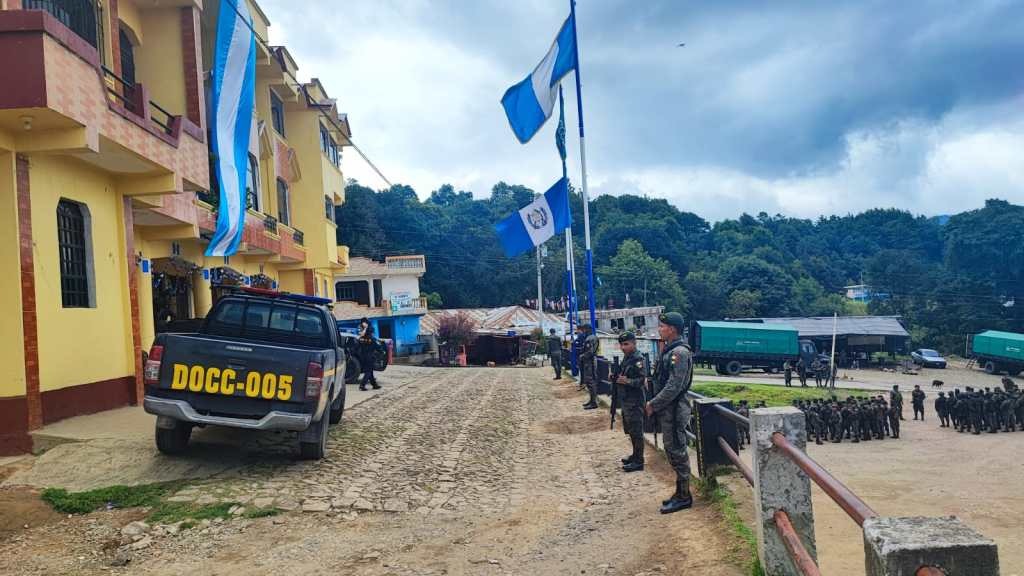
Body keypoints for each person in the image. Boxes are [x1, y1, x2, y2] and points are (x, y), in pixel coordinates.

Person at [645, 312, 694, 514]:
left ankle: (684, 496)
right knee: (672, 449)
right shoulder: (670, 350)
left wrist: (654, 403)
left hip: (674, 410)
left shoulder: (679, 353)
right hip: (668, 409)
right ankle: (680, 492)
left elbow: (674, 386)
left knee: (677, 451)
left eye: (663, 326)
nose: (660, 329)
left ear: (672, 329)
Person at [614, 332, 647, 472]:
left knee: (637, 431)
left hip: (635, 400)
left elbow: (642, 380)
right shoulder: (627, 358)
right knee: (631, 431)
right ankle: (635, 455)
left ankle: (639, 461)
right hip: (626, 399)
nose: (623, 347)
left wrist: (626, 381)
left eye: (626, 344)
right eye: (621, 344)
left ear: (634, 343)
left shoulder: (638, 358)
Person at [357, 317, 381, 391]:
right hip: (369, 356)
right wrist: (381, 351)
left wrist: (365, 328)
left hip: (363, 356)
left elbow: (359, 341)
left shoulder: (361, 338)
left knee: (370, 371)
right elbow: (376, 346)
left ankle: (374, 385)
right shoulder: (370, 338)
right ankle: (362, 385)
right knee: (368, 371)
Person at [580, 324, 599, 410]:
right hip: (590, 361)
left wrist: (582, 356)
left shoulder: (589, 339)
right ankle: (591, 401)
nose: (583, 331)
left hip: (589, 362)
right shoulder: (593, 337)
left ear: (587, 329)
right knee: (590, 382)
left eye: (584, 329)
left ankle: (593, 402)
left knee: (590, 382)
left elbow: (590, 351)